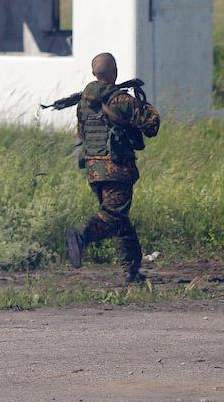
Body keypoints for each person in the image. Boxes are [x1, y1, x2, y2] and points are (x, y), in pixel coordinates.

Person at [66, 53, 161, 283]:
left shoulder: (83, 103)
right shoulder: (121, 101)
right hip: (117, 169)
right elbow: (151, 126)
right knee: (114, 215)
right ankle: (82, 236)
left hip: (94, 170)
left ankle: (132, 271)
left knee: (121, 221)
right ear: (114, 72)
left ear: (94, 73)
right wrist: (143, 104)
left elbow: (81, 134)